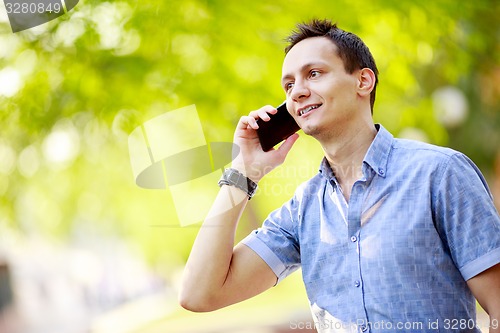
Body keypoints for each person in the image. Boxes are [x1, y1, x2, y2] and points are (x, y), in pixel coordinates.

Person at [179, 19, 500, 333]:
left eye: (313, 74)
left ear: (363, 81)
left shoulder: (440, 174)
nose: (297, 93)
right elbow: (199, 294)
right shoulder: (302, 210)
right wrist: (243, 173)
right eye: (289, 85)